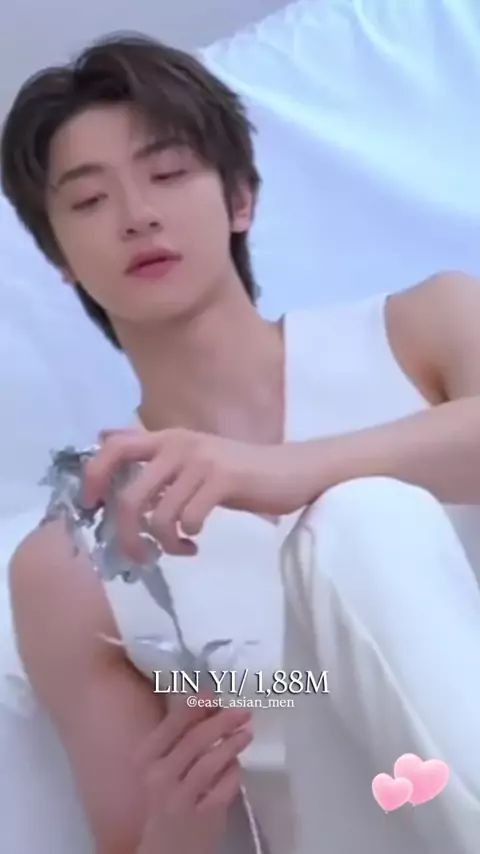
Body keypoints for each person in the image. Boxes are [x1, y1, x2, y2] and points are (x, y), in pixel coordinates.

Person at [2, 32, 480, 854]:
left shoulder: (427, 328)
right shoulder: (71, 561)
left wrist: (282, 472)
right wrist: (173, 829)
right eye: (89, 202)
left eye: (167, 173)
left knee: (363, 518)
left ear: (240, 199)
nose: (138, 215)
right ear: (61, 258)